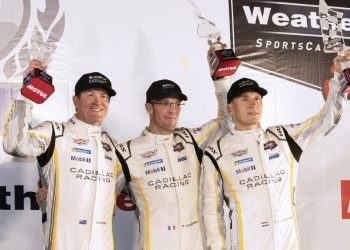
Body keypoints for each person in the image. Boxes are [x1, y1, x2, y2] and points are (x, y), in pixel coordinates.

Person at [201, 53, 350, 250]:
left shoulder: (283, 138)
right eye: (244, 99)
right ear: (230, 108)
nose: (253, 103)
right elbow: (212, 214)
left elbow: (326, 121)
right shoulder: (216, 153)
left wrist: (339, 78)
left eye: (257, 98)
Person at [3, 60, 125, 250]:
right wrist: (27, 93)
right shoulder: (55, 132)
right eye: (90, 94)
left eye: (104, 96)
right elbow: (15, 145)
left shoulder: (113, 146)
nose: (98, 101)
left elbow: (122, 189)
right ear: (76, 101)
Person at [114, 73, 232, 248]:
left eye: (177, 103)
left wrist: (221, 80)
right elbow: (101, 200)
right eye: (166, 103)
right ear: (149, 107)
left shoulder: (192, 139)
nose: (173, 109)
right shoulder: (127, 152)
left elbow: (227, 120)